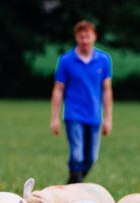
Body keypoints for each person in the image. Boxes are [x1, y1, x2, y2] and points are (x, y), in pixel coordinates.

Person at [50, 20, 113, 184]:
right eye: (81, 37)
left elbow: (106, 90)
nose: (84, 40)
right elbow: (58, 89)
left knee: (92, 157)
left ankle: (72, 185)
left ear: (94, 36)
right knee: (77, 155)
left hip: (94, 114)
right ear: (76, 37)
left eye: (87, 36)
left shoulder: (103, 59)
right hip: (73, 114)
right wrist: (54, 117)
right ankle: (76, 187)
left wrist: (108, 118)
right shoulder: (66, 60)